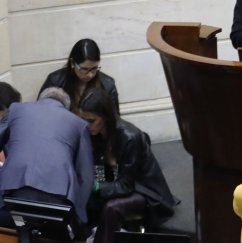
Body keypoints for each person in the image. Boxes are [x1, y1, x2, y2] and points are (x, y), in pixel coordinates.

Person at [77, 90, 176, 243]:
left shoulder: (130, 137)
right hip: (115, 182)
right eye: (83, 120)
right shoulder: (94, 134)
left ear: (105, 117)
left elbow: (127, 185)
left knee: (112, 207)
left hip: (144, 190)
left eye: (91, 121)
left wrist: (97, 186)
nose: (87, 125)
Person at [0, 88, 93, 234]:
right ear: (66, 107)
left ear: (39, 100)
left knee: (18, 226)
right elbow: (85, 175)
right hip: (58, 194)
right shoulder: (79, 124)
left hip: (15, 188)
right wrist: (80, 217)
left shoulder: (17, 109)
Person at [40, 38, 120, 114]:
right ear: (72, 63)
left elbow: (114, 119)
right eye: (84, 69)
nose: (90, 75)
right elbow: (41, 113)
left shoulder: (108, 84)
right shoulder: (54, 81)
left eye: (94, 68)